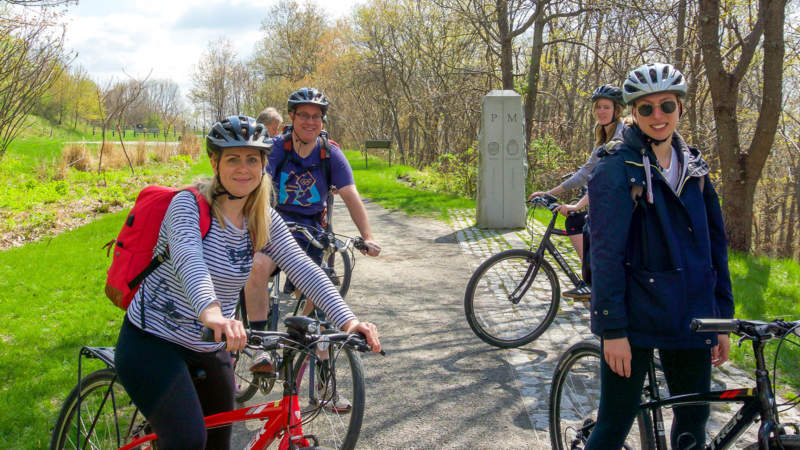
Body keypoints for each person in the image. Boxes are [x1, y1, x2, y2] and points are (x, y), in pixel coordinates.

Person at [113, 115, 381, 450]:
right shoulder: (188, 205)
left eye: (252, 159)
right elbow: (189, 261)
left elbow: (301, 266)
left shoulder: (261, 218)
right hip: (152, 341)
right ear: (215, 162)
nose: (244, 168)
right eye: (233, 158)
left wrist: (349, 320)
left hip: (210, 346)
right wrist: (212, 314)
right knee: (187, 440)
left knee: (218, 442)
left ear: (263, 165)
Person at [585, 63, 733, 449]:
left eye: (666, 105)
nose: (658, 116)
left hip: (690, 316)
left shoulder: (696, 169)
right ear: (633, 113)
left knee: (693, 422)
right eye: (646, 109)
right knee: (615, 421)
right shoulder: (616, 166)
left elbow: (715, 249)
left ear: (680, 108)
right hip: (634, 318)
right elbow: (604, 254)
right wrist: (612, 330)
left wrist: (720, 320)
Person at [245, 88, 381, 340]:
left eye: (316, 116)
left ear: (322, 121)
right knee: (258, 266)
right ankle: (259, 342)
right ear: (292, 118)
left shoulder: (330, 153)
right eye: (304, 115)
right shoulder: (276, 148)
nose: (310, 122)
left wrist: (367, 236)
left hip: (313, 231)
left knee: (317, 293)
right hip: (276, 225)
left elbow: (350, 195)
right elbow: (260, 185)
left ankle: (301, 346)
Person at [528, 84, 625, 299]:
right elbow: (585, 173)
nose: (601, 111)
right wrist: (548, 193)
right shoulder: (603, 135)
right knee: (574, 222)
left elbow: (604, 179)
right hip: (607, 198)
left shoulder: (620, 137)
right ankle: (591, 278)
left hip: (622, 204)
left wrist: (578, 205)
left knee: (587, 223)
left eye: (606, 107)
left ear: (617, 110)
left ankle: (594, 281)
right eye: (598, 107)